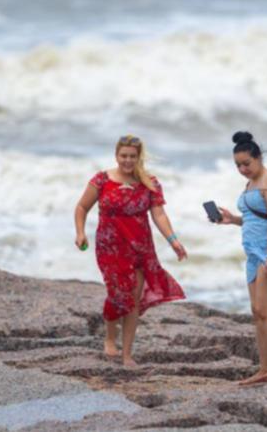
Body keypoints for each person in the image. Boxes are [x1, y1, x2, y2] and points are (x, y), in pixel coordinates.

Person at [74, 134, 187, 366]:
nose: (127, 161)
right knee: (118, 294)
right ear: (116, 155)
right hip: (110, 246)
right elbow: (82, 207)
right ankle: (109, 337)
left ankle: (126, 354)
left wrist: (173, 240)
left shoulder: (150, 183)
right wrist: (80, 232)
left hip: (140, 247)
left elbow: (159, 214)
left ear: (138, 158)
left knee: (133, 300)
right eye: (123, 156)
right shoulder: (102, 180)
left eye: (132, 157)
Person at [216, 131, 267, 385]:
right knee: (256, 311)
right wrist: (232, 220)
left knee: (265, 309)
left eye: (246, 164)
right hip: (253, 253)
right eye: (238, 165)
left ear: (258, 157)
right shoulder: (250, 183)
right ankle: (264, 369)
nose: (242, 169)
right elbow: (253, 219)